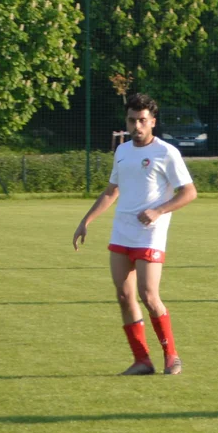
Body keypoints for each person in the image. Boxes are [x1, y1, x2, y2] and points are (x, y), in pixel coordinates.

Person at [72, 93, 198, 375]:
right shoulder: (122, 151)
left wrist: (159, 211)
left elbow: (189, 192)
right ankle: (142, 360)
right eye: (132, 121)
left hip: (150, 233)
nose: (137, 126)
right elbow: (111, 191)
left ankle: (171, 356)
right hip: (122, 233)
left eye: (142, 121)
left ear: (152, 122)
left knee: (149, 295)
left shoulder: (166, 152)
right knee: (123, 295)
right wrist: (86, 221)